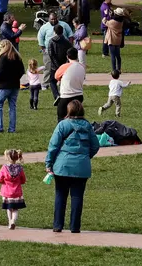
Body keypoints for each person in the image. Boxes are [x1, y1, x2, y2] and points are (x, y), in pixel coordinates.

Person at [46, 99, 99, 233]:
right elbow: (95, 145)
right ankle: (75, 227)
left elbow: (53, 146)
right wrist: (86, 156)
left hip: (63, 165)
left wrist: (49, 163)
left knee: (60, 195)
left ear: (68, 111)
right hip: (82, 166)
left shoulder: (63, 125)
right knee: (77, 196)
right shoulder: (88, 126)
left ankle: (58, 225)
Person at [0, 40, 25, 134]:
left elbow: (0, 71)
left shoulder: (3, 57)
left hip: (4, 85)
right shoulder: (17, 56)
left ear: (3, 47)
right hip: (15, 84)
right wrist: (16, 78)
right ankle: (12, 128)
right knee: (12, 106)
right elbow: (22, 71)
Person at [0, 149, 27, 230]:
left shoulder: (4, 168)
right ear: (17, 157)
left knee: (9, 208)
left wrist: (4, 181)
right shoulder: (20, 168)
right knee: (15, 209)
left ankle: (10, 222)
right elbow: (23, 180)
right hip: (17, 192)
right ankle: (13, 221)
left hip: (6, 192)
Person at [56, 47, 85, 123]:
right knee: (77, 118)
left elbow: (56, 76)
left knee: (61, 118)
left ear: (67, 56)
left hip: (66, 96)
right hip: (79, 95)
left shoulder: (64, 66)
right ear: (77, 55)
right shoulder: (82, 67)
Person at [45, 24, 72, 101]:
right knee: (64, 81)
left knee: (52, 81)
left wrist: (57, 66)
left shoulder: (51, 41)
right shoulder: (67, 42)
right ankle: (65, 95)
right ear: (62, 32)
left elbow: (51, 55)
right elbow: (69, 53)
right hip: (65, 65)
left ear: (54, 32)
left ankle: (56, 95)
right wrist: (65, 63)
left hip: (55, 66)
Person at [104, 7, 125, 74]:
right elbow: (113, 19)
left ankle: (114, 70)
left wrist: (106, 14)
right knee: (118, 56)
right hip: (118, 40)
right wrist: (111, 15)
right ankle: (118, 69)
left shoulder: (112, 22)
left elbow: (104, 21)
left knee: (113, 56)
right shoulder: (121, 22)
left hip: (112, 40)